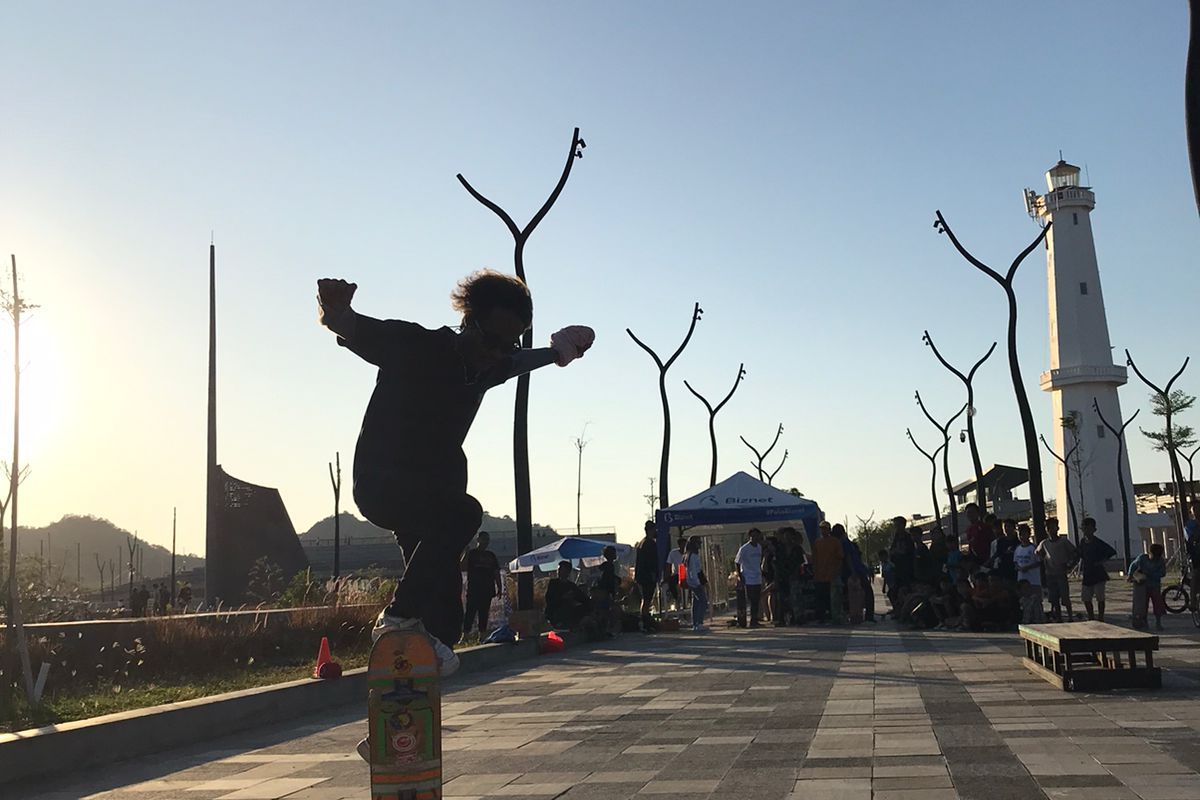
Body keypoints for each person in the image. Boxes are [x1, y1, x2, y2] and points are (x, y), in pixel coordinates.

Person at [317, 271, 594, 676]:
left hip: (431, 498)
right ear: (468, 323)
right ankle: (397, 617)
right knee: (465, 513)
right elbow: (351, 328)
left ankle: (395, 728)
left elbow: (517, 361)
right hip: (384, 483)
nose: (495, 353)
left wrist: (558, 352)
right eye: (489, 340)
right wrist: (335, 308)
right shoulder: (416, 345)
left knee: (445, 620)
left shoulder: (490, 365)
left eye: (507, 344)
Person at [460, 531, 502, 639]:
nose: (485, 542)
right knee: (470, 612)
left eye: (487, 540)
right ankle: (465, 634)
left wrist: (499, 587)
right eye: (483, 539)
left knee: (484, 612)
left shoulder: (491, 555)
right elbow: (463, 567)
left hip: (487, 589)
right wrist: (466, 552)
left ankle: (482, 634)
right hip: (474, 588)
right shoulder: (472, 554)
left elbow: (496, 572)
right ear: (478, 540)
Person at [1036, 517, 1077, 623]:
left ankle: (1070, 616)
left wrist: (1069, 564)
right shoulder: (1044, 543)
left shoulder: (1063, 541)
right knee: (1054, 598)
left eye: (1053, 527)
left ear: (1057, 528)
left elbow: (1075, 553)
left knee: (1065, 597)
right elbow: (1037, 552)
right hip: (1050, 574)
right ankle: (1058, 617)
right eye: (1048, 528)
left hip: (1061, 573)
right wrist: (1042, 558)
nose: (1050, 530)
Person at [1077, 518, 1116, 621]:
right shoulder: (1082, 542)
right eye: (1084, 528)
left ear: (1094, 529)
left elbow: (1111, 551)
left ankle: (1101, 617)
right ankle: (1091, 617)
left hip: (1098, 574)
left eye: (1088, 528)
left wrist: (1101, 561)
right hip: (1087, 573)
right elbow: (1079, 554)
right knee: (1086, 598)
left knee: (1100, 597)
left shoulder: (1098, 542)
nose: (1086, 531)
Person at [1127, 543, 1167, 631]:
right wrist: (1130, 575)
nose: (1155, 558)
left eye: (1158, 556)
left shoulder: (1160, 561)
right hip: (1142, 585)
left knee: (1157, 604)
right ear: (1150, 553)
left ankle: (1158, 622)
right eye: (1154, 556)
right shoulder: (1142, 558)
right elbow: (1133, 565)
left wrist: (1150, 574)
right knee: (1143, 605)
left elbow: (1163, 573)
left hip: (1155, 585)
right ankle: (1144, 622)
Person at [545, 561, 592, 631]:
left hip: (569, 610)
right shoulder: (553, 584)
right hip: (556, 610)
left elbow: (582, 597)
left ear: (568, 572)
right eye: (559, 570)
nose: (559, 572)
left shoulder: (571, 585)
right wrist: (562, 597)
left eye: (562, 570)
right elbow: (549, 598)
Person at [813, 522, 844, 624]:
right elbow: (815, 559)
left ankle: (834, 617)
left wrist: (837, 572)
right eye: (821, 529)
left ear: (829, 530)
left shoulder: (835, 542)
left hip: (832, 575)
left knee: (834, 598)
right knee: (821, 598)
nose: (823, 531)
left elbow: (840, 558)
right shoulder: (817, 542)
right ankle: (821, 617)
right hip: (820, 575)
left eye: (825, 529)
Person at [735, 529, 765, 627]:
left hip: (757, 577)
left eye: (757, 536)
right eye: (753, 536)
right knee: (752, 599)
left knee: (757, 600)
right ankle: (751, 620)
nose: (755, 538)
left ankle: (755, 619)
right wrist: (740, 576)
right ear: (749, 537)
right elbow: (737, 562)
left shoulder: (759, 547)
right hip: (748, 577)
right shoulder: (744, 549)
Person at [634, 521, 661, 631]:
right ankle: (645, 623)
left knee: (645, 600)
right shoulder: (649, 544)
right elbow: (651, 561)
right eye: (654, 529)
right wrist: (653, 574)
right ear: (650, 530)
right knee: (647, 599)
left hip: (641, 576)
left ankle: (645, 621)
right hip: (647, 577)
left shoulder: (642, 543)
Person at [887, 517, 915, 605]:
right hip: (897, 568)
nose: (896, 527)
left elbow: (907, 551)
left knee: (903, 591)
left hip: (906, 569)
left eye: (897, 525)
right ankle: (898, 610)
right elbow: (891, 551)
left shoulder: (907, 537)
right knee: (893, 592)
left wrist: (897, 552)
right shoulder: (896, 537)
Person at [684, 536, 708, 632]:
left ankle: (695, 623)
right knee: (703, 601)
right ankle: (699, 622)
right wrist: (698, 583)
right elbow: (693, 571)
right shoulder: (692, 556)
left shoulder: (688, 555)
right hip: (694, 582)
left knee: (696, 602)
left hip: (692, 581)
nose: (699, 545)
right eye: (698, 543)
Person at [1013, 524, 1042, 602]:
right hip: (1021, 580)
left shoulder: (1033, 548)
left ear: (1029, 534)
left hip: (1033, 580)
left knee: (1035, 601)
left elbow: (1039, 562)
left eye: (1024, 534)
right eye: (1020, 534)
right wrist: (1018, 568)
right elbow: (1015, 562)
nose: (1022, 537)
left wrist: (1027, 567)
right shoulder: (1018, 549)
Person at [665, 536, 687, 611]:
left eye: (685, 545)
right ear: (679, 545)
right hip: (677, 574)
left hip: (686, 574)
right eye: (682, 545)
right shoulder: (673, 553)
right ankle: (676, 597)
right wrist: (667, 576)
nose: (683, 547)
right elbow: (668, 564)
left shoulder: (688, 554)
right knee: (671, 581)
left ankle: (685, 599)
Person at [1187, 501, 1200, 611]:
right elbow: (1191, 538)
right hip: (1197, 556)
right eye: (1194, 510)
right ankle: (1193, 602)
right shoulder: (1190, 525)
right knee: (1195, 576)